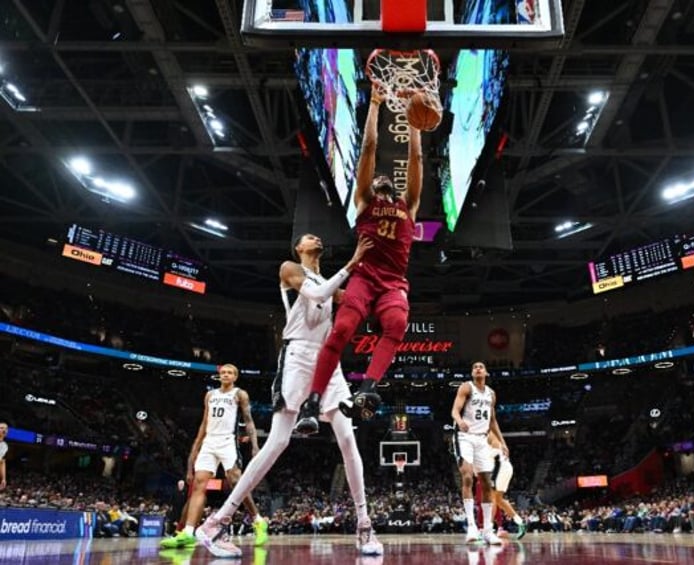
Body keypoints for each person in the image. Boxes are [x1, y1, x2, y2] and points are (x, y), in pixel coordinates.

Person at [196, 234, 382, 558]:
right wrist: (353, 264)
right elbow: (316, 293)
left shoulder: (330, 282)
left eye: (318, 235)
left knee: (348, 440)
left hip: (328, 361)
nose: (316, 237)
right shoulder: (290, 269)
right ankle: (216, 522)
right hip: (297, 357)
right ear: (299, 247)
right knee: (278, 442)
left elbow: (358, 302)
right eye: (309, 236)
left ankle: (364, 523)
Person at [295, 84, 425, 433]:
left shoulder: (408, 205)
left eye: (385, 177)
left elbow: (415, 160)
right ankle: (312, 403)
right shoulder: (364, 201)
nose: (382, 176)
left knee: (397, 325)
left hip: (392, 284)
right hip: (365, 278)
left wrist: (414, 122)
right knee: (342, 330)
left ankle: (367, 388)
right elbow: (368, 147)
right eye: (378, 175)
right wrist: (376, 104)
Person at [160, 364, 268, 549]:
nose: (226, 375)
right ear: (219, 376)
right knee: (198, 485)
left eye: (230, 373)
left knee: (236, 482)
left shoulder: (239, 394)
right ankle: (187, 533)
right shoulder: (210, 395)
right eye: (223, 372)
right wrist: (196, 447)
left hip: (228, 441)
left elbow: (249, 421)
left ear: (235, 377)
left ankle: (258, 521)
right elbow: (204, 423)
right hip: (209, 442)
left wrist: (255, 446)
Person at [451, 362, 508, 545]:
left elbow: (492, 421)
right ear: (471, 372)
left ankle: (487, 531)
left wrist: (502, 442)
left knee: (486, 484)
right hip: (464, 437)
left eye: (481, 367)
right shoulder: (466, 387)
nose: (477, 368)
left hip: (482, 439)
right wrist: (460, 421)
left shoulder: (491, 394)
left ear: (486, 372)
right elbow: (454, 410)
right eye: (474, 367)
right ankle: (471, 526)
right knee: (467, 477)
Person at [487, 431, 526, 539]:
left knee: (493, 499)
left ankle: (487, 530)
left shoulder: (488, 434)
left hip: (500, 468)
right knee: (498, 500)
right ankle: (520, 522)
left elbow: (494, 452)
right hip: (504, 467)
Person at [0, 420, 8, 491]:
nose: (4, 430)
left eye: (6, 428)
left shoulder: (5, 446)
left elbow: (2, 462)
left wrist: (3, 478)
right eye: (1, 428)